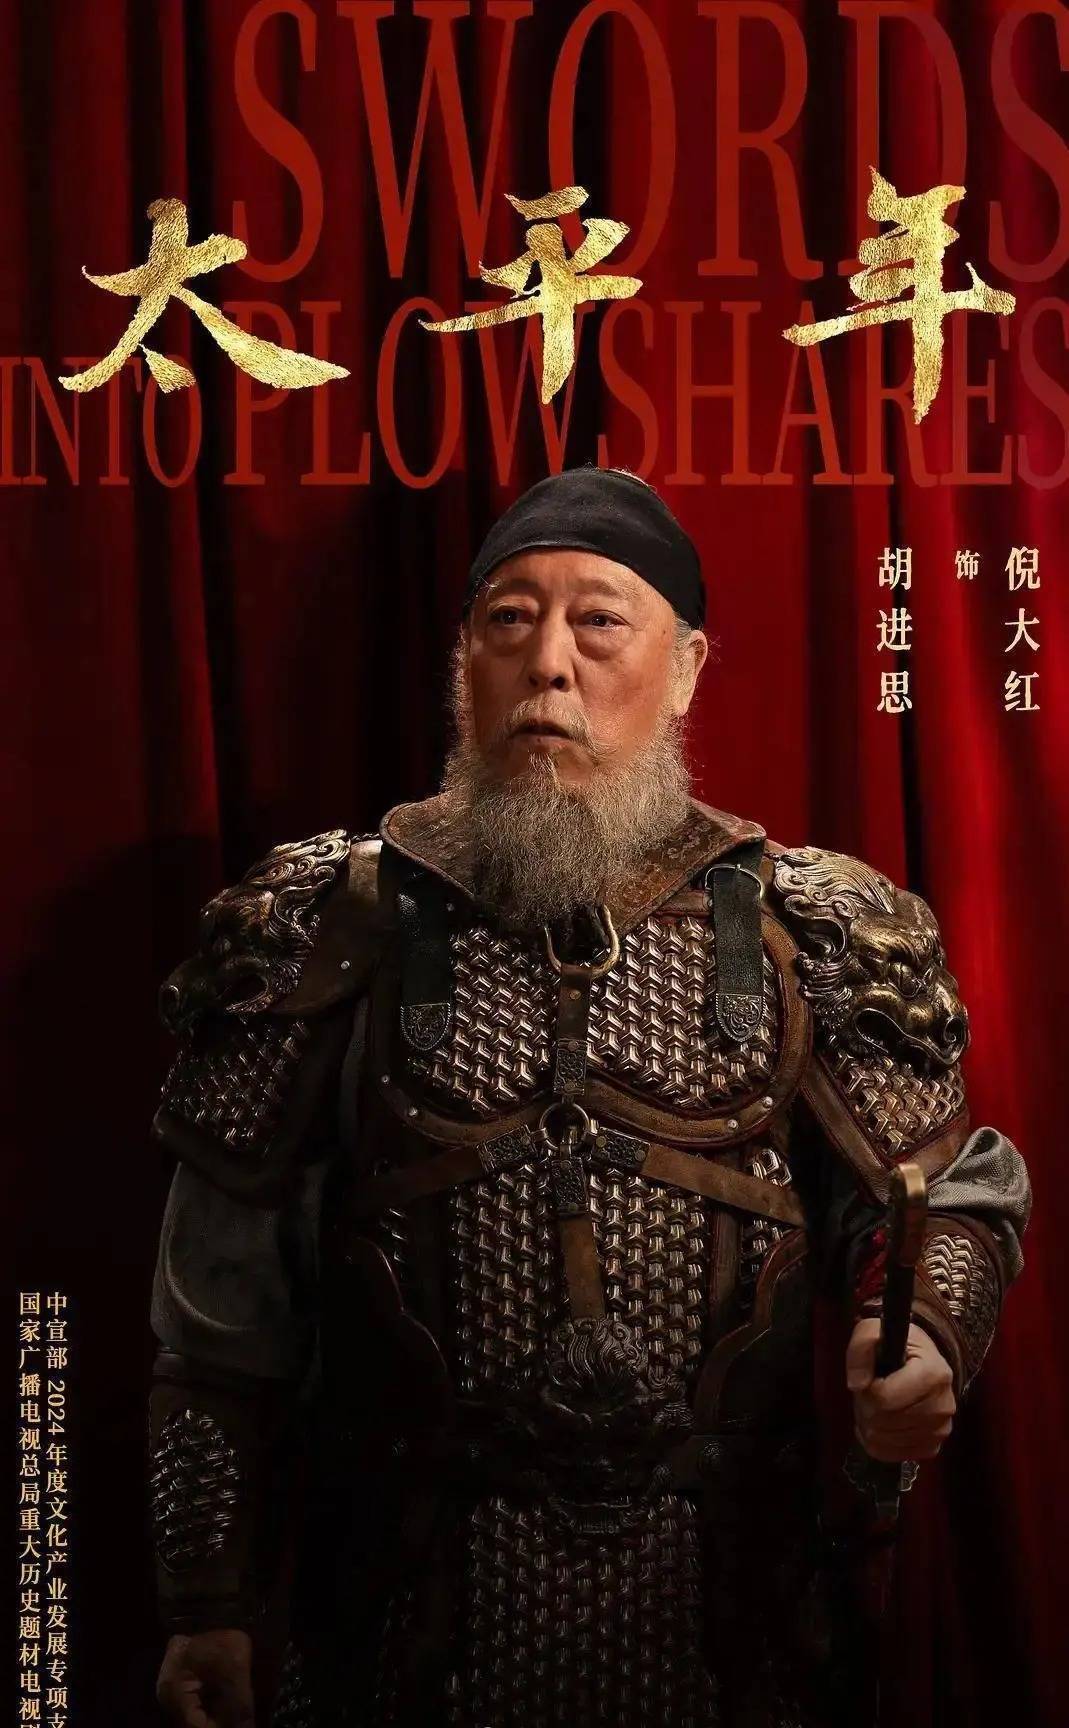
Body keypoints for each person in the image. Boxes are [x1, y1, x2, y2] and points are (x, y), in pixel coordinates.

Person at [148, 467, 1030, 1728]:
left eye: (598, 621)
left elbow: (947, 1194)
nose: (548, 664)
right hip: (400, 1636)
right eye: (508, 620)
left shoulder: (815, 928)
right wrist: (204, 1599)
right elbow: (218, 1317)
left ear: (686, 668)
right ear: (464, 662)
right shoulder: (318, 923)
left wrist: (926, 1335)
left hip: (730, 1633)